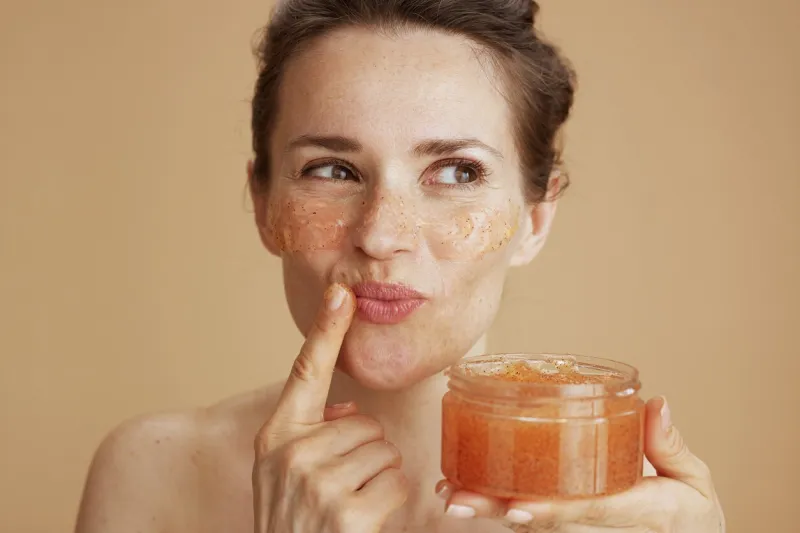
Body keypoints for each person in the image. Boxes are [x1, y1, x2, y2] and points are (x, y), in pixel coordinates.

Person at [74, 1, 726, 532]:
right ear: (262, 200)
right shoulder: (149, 474)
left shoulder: (620, 514)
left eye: (454, 172)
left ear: (536, 216)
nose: (382, 235)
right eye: (332, 170)